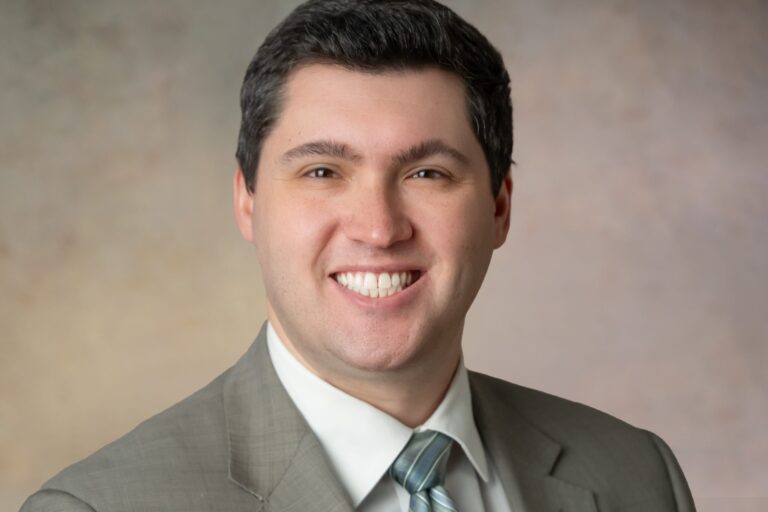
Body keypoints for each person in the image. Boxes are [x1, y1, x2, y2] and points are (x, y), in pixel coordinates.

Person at [21, 1, 696, 511]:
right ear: (248, 201)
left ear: (499, 208)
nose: (378, 228)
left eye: (427, 173)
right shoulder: (100, 506)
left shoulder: (636, 476)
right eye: (322, 172)